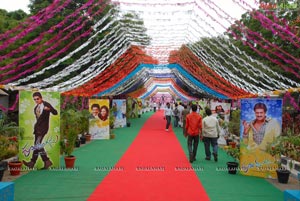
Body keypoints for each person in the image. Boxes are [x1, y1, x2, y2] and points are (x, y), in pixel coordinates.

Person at [23, 92, 58, 169]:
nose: (36, 100)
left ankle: (41, 161)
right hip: (37, 128)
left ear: (41, 98)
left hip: (43, 128)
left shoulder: (46, 104)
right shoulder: (35, 108)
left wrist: (49, 109)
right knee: (37, 145)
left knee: (37, 144)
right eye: (35, 99)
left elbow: (55, 112)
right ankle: (41, 162)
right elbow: (38, 119)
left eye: (37, 99)